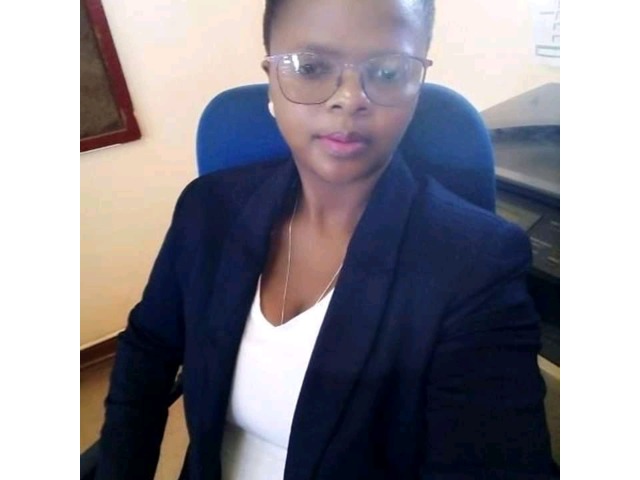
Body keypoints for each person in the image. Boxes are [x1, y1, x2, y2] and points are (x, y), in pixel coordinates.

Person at [94, 0, 556, 478]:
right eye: (311, 67)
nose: (350, 98)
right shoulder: (207, 209)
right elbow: (147, 350)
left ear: (417, 86)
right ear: (272, 79)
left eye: (388, 71)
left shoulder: (476, 263)